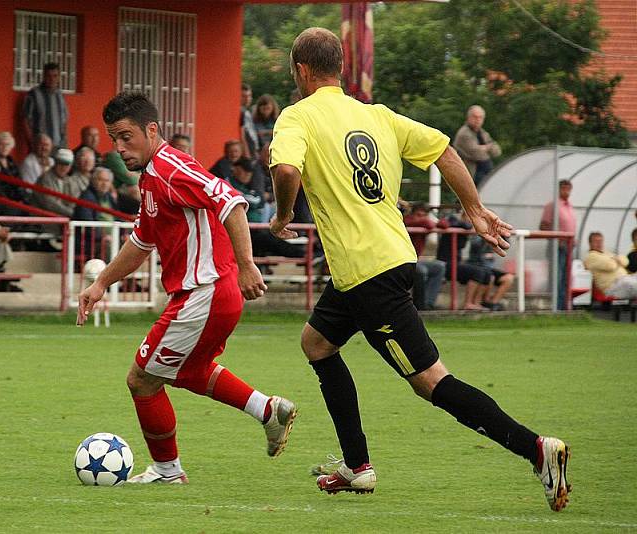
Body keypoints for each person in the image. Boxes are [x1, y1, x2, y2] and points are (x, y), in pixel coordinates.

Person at [268, 27, 570, 511]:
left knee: (431, 382)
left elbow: (286, 171)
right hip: (382, 262)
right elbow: (445, 151)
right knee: (316, 343)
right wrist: (473, 209)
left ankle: (536, 449)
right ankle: (357, 467)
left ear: (301, 70)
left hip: (368, 274)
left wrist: (283, 217)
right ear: (339, 68)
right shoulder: (376, 115)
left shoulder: (297, 117)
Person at [77, 91, 297, 484]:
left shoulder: (170, 167)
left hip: (205, 293)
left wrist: (248, 265)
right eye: (114, 139)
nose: (119, 148)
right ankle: (267, 409)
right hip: (211, 295)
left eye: (126, 137)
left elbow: (231, 202)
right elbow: (141, 243)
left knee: (141, 380)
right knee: (188, 372)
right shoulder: (150, 178)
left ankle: (166, 470)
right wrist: (101, 283)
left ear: (152, 129)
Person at [229, 157, 302, 259]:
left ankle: (303, 253)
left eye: (249, 172)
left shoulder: (244, 185)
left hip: (254, 227)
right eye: (244, 171)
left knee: (266, 239)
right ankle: (303, 254)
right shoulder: (229, 183)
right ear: (235, 169)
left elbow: (258, 200)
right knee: (266, 240)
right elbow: (256, 200)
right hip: (243, 229)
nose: (247, 174)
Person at [436, 210, 493, 311]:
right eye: (471, 217)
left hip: (456, 262)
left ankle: (476, 302)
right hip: (446, 262)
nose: (473, 221)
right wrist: (469, 225)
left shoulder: (463, 226)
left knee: (487, 273)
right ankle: (468, 303)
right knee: (477, 272)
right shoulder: (453, 221)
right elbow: (453, 224)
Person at [539, 179, 576, 310]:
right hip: (557, 246)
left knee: (567, 279)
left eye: (568, 188)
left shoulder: (569, 206)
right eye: (563, 188)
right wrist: (556, 237)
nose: (566, 191)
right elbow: (543, 225)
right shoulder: (552, 205)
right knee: (557, 277)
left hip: (569, 247)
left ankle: (564, 306)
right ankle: (556, 307)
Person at [403, 202, 446, 310]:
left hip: (415, 259)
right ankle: (419, 306)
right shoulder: (406, 220)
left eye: (424, 215)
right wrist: (427, 220)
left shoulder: (423, 222)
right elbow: (428, 224)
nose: (421, 218)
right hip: (402, 260)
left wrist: (432, 220)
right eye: (418, 215)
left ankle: (428, 303)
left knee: (439, 267)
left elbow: (444, 225)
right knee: (421, 271)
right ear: (412, 214)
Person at [73, 166, 118, 260]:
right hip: (89, 242)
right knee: (109, 245)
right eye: (100, 180)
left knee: (132, 243)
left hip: (110, 237)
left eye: (107, 181)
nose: (104, 184)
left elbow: (117, 217)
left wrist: (122, 234)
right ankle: (110, 274)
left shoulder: (109, 197)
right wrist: (103, 236)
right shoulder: (87, 197)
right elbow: (88, 224)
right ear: (93, 180)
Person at [22, 62, 68, 150]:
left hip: (58, 146)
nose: (52, 79)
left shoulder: (60, 95)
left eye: (55, 76)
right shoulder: (34, 94)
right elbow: (25, 120)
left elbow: (64, 121)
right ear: (43, 76)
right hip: (40, 146)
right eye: (48, 76)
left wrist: (65, 142)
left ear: (59, 77)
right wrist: (31, 143)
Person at [453, 105, 501, 187]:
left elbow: (497, 151)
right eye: (475, 117)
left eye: (480, 117)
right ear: (468, 118)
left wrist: (484, 148)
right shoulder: (464, 133)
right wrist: (488, 147)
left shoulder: (482, 133)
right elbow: (477, 154)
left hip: (484, 173)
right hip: (470, 175)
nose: (478, 120)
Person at [583, 231, 637, 300]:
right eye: (596, 241)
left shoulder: (606, 253)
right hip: (613, 286)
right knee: (632, 284)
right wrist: (617, 260)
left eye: (601, 241)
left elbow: (626, 261)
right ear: (590, 243)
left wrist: (616, 260)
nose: (599, 244)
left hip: (624, 280)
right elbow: (610, 266)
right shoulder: (591, 257)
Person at [468, 234, 515, 311]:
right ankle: (483, 301)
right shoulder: (478, 231)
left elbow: (505, 246)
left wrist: (501, 235)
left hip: (490, 268)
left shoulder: (495, 232)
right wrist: (486, 236)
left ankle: (493, 303)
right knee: (489, 276)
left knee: (509, 278)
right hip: (477, 265)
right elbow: (475, 244)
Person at [33, 148, 77, 217]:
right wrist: (72, 213)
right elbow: (50, 204)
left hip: (63, 221)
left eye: (66, 164)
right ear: (55, 162)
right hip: (44, 222)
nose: (63, 167)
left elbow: (73, 202)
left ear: (71, 166)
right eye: (61, 163)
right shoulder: (45, 179)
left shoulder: (70, 181)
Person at [102, 149, 141, 214]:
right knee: (136, 190)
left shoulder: (136, 155)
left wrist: (136, 175)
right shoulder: (114, 156)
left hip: (126, 190)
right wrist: (138, 175)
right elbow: (131, 180)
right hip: (115, 190)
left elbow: (145, 176)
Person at [240, 83, 259, 158]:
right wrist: (247, 153)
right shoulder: (241, 112)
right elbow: (243, 134)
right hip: (247, 152)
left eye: (249, 96)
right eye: (244, 96)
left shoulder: (247, 112)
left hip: (253, 149)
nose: (247, 99)